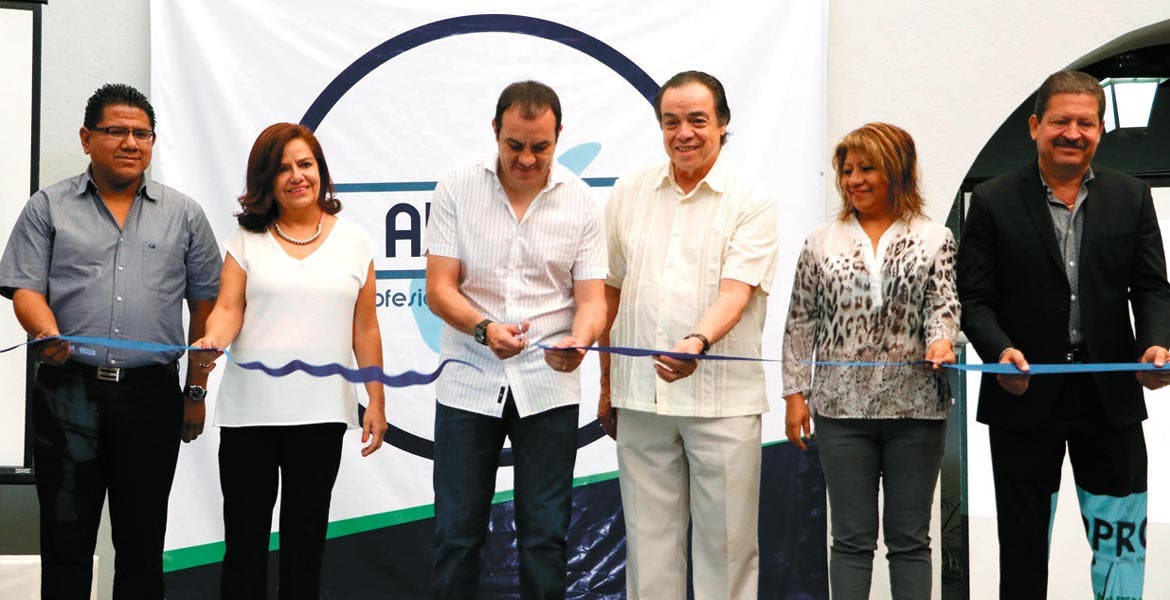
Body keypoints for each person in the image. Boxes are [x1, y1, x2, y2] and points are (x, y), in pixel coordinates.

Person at [0, 83, 221, 598]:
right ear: (86, 138)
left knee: (142, 544)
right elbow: (25, 290)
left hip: (151, 397)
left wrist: (195, 392)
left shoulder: (184, 214)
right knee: (66, 541)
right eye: (116, 131)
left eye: (141, 134)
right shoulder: (48, 207)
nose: (130, 143)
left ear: (152, 142)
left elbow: (205, 306)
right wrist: (45, 331)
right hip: (68, 391)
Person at [956, 70, 1170, 599]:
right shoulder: (992, 200)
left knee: (1120, 541)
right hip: (1021, 394)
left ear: (1100, 129)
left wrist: (1156, 342)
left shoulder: (1132, 196)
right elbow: (974, 300)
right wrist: (1000, 351)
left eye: (1085, 122)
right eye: (1060, 121)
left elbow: (1151, 288)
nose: (1072, 133)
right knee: (1023, 546)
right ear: (1035, 126)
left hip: (1111, 400)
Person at [423, 80, 606, 599]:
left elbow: (593, 301)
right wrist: (484, 329)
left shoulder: (582, 201)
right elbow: (439, 288)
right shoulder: (456, 186)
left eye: (540, 147)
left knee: (545, 538)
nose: (526, 158)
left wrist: (579, 341)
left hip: (548, 386)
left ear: (559, 135)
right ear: (495, 131)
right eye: (515, 145)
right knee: (456, 535)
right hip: (468, 381)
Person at [598, 70, 778, 600]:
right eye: (671, 121)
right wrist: (607, 383)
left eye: (697, 120)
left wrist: (696, 342)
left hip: (722, 404)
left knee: (727, 550)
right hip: (641, 398)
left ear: (723, 124)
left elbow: (735, 293)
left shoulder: (752, 199)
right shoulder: (630, 191)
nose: (684, 133)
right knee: (648, 549)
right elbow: (608, 291)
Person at [192, 123, 387, 598]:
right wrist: (212, 340)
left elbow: (365, 328)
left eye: (305, 164)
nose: (297, 176)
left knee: (305, 545)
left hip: (321, 416)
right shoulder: (245, 239)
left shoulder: (356, 243)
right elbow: (229, 309)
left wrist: (376, 401)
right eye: (282, 169)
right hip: (249, 417)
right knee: (244, 546)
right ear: (266, 180)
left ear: (321, 170)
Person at [781, 122, 958, 599]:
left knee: (910, 541)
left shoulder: (934, 237)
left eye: (867, 169)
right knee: (851, 540)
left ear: (897, 171)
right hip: (840, 413)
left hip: (918, 411)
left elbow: (943, 308)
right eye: (847, 171)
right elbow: (801, 320)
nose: (854, 180)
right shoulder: (821, 241)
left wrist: (941, 342)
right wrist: (795, 394)